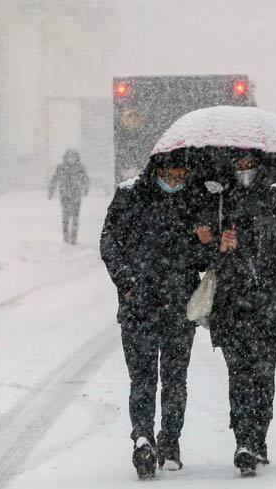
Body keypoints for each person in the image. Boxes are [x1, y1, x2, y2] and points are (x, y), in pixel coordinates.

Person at [100, 156, 214, 480]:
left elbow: (204, 259)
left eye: (181, 174)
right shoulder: (129, 196)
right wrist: (128, 283)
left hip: (180, 306)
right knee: (144, 379)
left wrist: (205, 243)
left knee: (175, 379)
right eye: (169, 174)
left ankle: (169, 440)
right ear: (156, 171)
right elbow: (109, 242)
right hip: (140, 307)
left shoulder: (196, 199)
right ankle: (143, 438)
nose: (174, 180)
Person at [209, 151, 276, 476]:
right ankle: (244, 441)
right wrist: (217, 244)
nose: (244, 171)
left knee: (263, 378)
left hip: (270, 309)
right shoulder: (219, 205)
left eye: (249, 164)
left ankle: (258, 438)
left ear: (261, 166)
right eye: (238, 165)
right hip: (232, 307)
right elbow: (197, 254)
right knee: (239, 375)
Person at [48, 149, 90, 245]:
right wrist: (51, 191)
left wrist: (86, 188)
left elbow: (85, 179)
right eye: (69, 157)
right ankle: (66, 237)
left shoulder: (80, 168)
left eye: (73, 157)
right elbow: (54, 179)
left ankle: (73, 238)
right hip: (65, 195)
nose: (71, 159)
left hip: (76, 195)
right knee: (66, 217)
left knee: (75, 217)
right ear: (66, 158)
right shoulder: (61, 168)